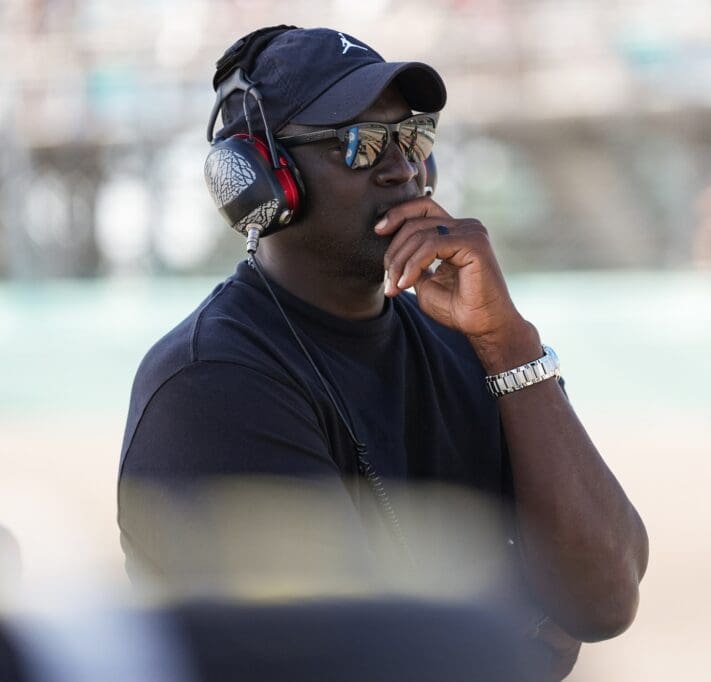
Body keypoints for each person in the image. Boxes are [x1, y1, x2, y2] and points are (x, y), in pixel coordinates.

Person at [118, 26, 648, 678]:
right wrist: (510, 629)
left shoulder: (475, 341)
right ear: (262, 178)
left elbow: (605, 595)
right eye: (361, 143)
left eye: (414, 137)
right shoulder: (210, 383)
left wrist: (510, 344)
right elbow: (339, 660)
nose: (403, 167)